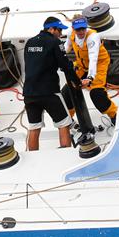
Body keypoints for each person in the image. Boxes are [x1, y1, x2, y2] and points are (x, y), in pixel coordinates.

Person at [23, 17, 81, 151]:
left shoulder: (30, 42)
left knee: (34, 127)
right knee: (64, 124)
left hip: (29, 93)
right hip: (49, 92)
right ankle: (65, 153)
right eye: (59, 30)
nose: (60, 33)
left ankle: (33, 158)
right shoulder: (55, 42)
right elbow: (65, 65)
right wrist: (77, 82)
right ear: (50, 29)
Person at [64, 17, 118, 125]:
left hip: (98, 65)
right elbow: (67, 46)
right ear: (73, 28)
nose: (81, 32)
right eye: (78, 29)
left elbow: (93, 58)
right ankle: (69, 119)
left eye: (83, 29)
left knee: (97, 94)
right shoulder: (71, 34)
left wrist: (89, 78)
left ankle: (114, 115)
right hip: (81, 65)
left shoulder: (92, 37)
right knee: (67, 91)